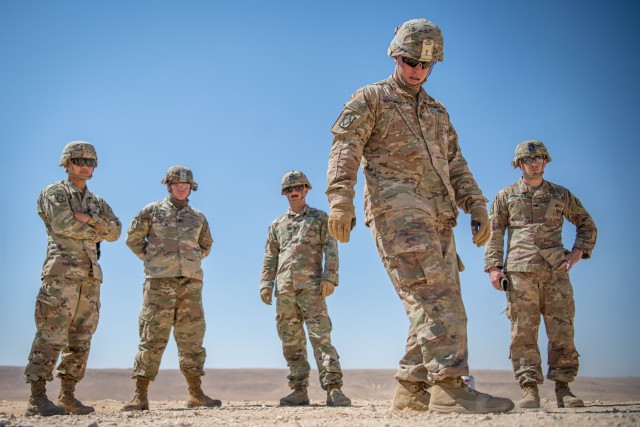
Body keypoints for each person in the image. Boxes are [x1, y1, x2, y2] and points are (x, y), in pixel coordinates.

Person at [326, 18, 514, 414]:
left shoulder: (436, 111)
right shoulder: (371, 98)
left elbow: (456, 164)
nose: (418, 70)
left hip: (438, 216)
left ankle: (412, 388)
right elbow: (345, 147)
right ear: (396, 55)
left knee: (432, 300)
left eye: (427, 64)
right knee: (436, 298)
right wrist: (339, 199)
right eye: (411, 60)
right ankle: (448, 386)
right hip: (398, 213)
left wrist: (476, 204)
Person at [484, 140, 597, 409]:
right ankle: (529, 390)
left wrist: (576, 253)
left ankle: (564, 389)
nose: (533, 164)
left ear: (545, 162)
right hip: (519, 274)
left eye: (538, 159)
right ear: (519, 165)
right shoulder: (505, 196)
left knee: (562, 332)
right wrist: (493, 268)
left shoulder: (561, 195)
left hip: (555, 274)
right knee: (522, 333)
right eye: (527, 160)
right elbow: (494, 233)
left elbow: (586, 224)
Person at [24, 141, 122, 416]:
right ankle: (37, 397)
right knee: (51, 333)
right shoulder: (55, 192)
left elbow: (115, 232)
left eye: (90, 162)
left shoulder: (96, 202)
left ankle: (67, 395)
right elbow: (62, 224)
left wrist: (89, 220)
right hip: (61, 275)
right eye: (79, 160)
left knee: (81, 338)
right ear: (67, 163)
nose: (85, 166)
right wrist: (96, 226)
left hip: (90, 279)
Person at [122, 166, 221, 411]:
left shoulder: (198, 217)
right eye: (176, 183)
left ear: (191, 188)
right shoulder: (151, 211)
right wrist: (153, 260)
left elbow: (206, 245)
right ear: (168, 185)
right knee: (152, 337)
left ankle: (196, 394)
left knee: (192, 339)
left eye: (185, 185)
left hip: (190, 285)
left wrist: (191, 260)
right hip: (159, 284)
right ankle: (139, 395)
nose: (181, 187)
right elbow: (133, 239)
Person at [260, 171, 351, 407]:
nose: (293, 192)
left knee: (321, 337)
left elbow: (331, 248)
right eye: (289, 189)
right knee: (291, 340)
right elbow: (270, 256)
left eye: (298, 187)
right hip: (285, 291)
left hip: (312, 288)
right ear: (284, 193)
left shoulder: (320, 218)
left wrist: (330, 278)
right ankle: (299, 390)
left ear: (306, 189)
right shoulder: (277, 225)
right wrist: (265, 283)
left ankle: (333, 389)